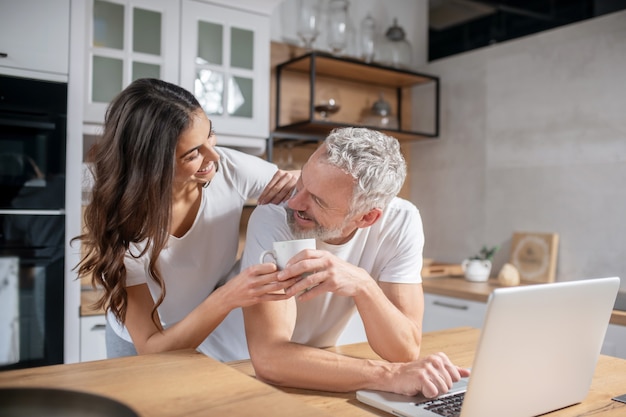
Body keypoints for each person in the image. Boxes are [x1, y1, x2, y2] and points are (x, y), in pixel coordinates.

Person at [75, 78, 297, 362]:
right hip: (141, 345)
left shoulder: (227, 169)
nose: (213, 155)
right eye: (193, 153)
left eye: (210, 136)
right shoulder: (125, 226)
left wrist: (297, 179)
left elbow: (307, 189)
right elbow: (151, 347)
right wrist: (229, 295)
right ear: (151, 164)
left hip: (205, 328)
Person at [241, 127, 470, 397]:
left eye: (316, 200)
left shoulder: (400, 221)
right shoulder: (274, 217)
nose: (294, 202)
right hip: (238, 367)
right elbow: (270, 360)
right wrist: (389, 375)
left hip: (320, 367)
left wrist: (363, 285)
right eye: (302, 181)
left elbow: (404, 351)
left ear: (366, 218)